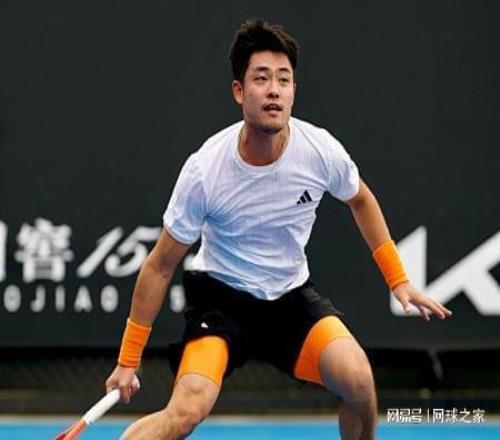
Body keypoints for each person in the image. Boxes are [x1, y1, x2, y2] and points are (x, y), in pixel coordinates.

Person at [105, 18, 452, 440]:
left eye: (283, 80)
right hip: (221, 301)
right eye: (262, 78)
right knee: (186, 410)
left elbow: (361, 199)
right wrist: (128, 360)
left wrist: (398, 280)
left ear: (293, 91)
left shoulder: (319, 150)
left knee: (359, 380)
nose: (274, 90)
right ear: (239, 91)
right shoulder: (205, 170)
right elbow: (160, 265)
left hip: (290, 300)